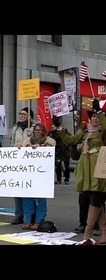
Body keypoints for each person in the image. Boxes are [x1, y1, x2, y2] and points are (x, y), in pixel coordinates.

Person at [54, 99, 106, 243]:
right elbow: (70, 140)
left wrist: (101, 112)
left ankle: (88, 232)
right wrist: (59, 127)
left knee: (96, 200)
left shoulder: (103, 132)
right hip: (86, 170)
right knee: (95, 201)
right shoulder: (85, 133)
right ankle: (104, 232)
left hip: (99, 170)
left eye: (97, 116)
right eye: (93, 116)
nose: (95, 118)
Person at [16, 123, 56, 230]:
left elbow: (50, 149)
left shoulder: (49, 141)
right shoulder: (27, 141)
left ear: (44, 131)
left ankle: (38, 221)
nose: (37, 131)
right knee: (27, 198)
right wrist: (19, 147)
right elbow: (20, 151)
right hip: (28, 174)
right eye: (36, 130)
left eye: (40, 130)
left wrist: (40, 147)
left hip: (42, 175)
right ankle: (28, 220)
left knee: (41, 200)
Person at [10, 107, 36, 225]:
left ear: (30, 116)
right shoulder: (15, 128)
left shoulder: (35, 128)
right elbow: (11, 143)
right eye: (20, 114)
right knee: (17, 189)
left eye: (24, 114)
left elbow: (38, 142)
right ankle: (18, 214)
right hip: (17, 162)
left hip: (30, 162)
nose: (21, 116)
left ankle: (30, 215)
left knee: (29, 190)